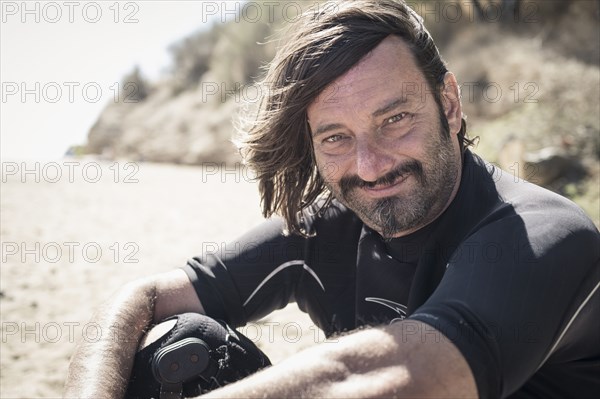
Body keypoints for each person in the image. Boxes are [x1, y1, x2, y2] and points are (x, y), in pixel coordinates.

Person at [64, 1, 600, 398]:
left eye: (394, 119)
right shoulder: (326, 230)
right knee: (179, 349)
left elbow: (387, 375)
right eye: (336, 137)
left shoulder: (542, 235)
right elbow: (145, 298)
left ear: (450, 106)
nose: (370, 164)